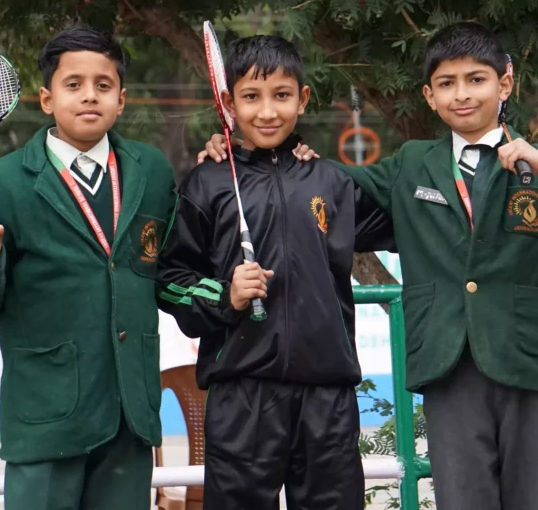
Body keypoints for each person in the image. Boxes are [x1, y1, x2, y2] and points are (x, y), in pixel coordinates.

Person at [201, 22, 538, 510]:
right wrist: (237, 154)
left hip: (530, 363)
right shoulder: (411, 165)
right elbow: (318, 189)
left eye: (477, 80)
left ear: (506, 83)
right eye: (447, 84)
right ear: (429, 96)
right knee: (462, 501)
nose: (462, 95)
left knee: (537, 500)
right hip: (447, 362)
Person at [158, 35, 394, 510]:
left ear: (302, 100)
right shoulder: (206, 182)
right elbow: (170, 279)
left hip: (327, 397)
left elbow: (417, 217)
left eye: (281, 96)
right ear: (229, 104)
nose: (267, 111)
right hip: (241, 397)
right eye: (251, 97)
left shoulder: (331, 181)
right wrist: (226, 295)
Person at [0, 26, 177, 510]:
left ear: (122, 99)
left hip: (129, 411)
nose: (89, 96)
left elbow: (170, 266)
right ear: (47, 99)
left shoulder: (152, 170)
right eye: (73, 85)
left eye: (103, 85)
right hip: (46, 413)